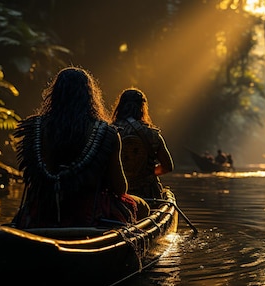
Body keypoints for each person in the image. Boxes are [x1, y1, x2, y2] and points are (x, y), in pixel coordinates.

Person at [13, 67, 149, 228]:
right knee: (143, 207)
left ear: (54, 94)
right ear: (90, 96)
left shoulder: (36, 128)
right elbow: (120, 188)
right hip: (88, 212)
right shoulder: (106, 133)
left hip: (44, 208)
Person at [111, 88, 173, 199]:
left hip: (115, 195)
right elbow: (167, 167)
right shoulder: (152, 135)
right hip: (147, 195)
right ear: (142, 107)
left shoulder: (107, 132)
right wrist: (146, 174)